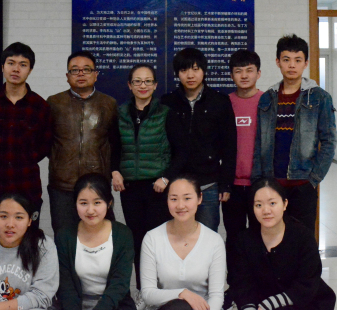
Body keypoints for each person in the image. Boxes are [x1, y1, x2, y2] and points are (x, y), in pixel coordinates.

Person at [111, 63, 186, 297]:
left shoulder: (165, 113)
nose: (142, 85)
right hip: (130, 188)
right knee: (137, 240)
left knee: (158, 241)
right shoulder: (120, 113)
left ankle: (162, 291)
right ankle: (144, 292)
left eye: (147, 81)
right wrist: (114, 171)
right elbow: (113, 148)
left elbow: (182, 152)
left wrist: (166, 177)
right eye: (137, 81)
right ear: (129, 85)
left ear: (155, 85)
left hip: (157, 188)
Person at [252, 34, 337, 231]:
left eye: (298, 60)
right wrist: (258, 181)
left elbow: (329, 141)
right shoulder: (267, 98)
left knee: (303, 238)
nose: (292, 65)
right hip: (272, 184)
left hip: (303, 185)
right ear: (278, 62)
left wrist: (313, 179)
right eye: (286, 59)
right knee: (271, 238)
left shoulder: (319, 98)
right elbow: (259, 142)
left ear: (305, 63)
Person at [0, 42, 53, 237]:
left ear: (30, 70)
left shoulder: (40, 106)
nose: (16, 69)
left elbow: (44, 145)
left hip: (26, 188)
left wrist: (24, 158)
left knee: (27, 244)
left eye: (23, 64)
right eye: (11, 63)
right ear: (2, 67)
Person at [161, 48, 237, 232]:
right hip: (176, 182)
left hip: (208, 182)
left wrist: (226, 184)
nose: (190, 75)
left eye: (195, 69)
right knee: (176, 234)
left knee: (207, 235)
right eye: (184, 70)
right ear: (177, 73)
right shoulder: (168, 102)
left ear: (204, 71)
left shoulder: (220, 101)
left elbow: (229, 146)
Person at [232, 178, 336, 310]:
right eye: (258, 205)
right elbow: (242, 283)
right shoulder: (244, 240)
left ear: (285, 204)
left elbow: (308, 283)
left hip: (303, 303)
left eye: (272, 203)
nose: (266, 211)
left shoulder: (303, 237)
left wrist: (270, 304)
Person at [47, 51, 120, 235]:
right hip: (62, 184)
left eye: (86, 70)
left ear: (96, 74)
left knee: (101, 234)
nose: (80, 74)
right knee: (64, 235)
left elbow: (115, 142)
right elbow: (46, 141)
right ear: (67, 76)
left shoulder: (109, 104)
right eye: (75, 70)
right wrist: (61, 161)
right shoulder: (54, 103)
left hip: (97, 183)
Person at [140, 175, 226, 310]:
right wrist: (182, 294)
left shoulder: (214, 241)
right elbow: (148, 293)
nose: (180, 205)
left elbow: (216, 296)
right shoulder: (152, 238)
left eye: (187, 198)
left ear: (200, 198)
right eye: (174, 199)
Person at [55, 173, 136, 310]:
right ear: (75, 204)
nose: (90, 210)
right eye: (83, 203)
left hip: (114, 306)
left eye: (97, 203)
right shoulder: (64, 236)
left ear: (109, 203)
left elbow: (120, 284)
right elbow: (65, 286)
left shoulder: (123, 234)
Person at [0, 194, 59, 310]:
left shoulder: (44, 246)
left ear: (29, 221)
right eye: (3, 216)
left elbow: (42, 296)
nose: (10, 224)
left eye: (19, 217)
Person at [222, 49, 263, 306]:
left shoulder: (267, 102)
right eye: (238, 71)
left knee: (260, 237)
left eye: (249, 70)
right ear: (231, 75)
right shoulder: (224, 103)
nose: (244, 75)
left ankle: (260, 287)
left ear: (259, 73)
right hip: (232, 185)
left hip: (260, 184)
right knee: (235, 239)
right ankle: (235, 287)